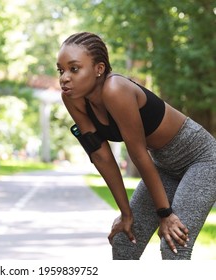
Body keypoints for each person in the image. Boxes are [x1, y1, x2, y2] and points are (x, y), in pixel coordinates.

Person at [56, 31, 216, 260]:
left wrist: (165, 213)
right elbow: (101, 157)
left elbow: (139, 154)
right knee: (124, 242)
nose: (64, 78)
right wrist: (125, 214)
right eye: (60, 70)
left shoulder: (115, 89)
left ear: (99, 69)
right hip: (164, 167)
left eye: (74, 69)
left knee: (174, 244)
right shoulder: (71, 98)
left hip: (201, 159)